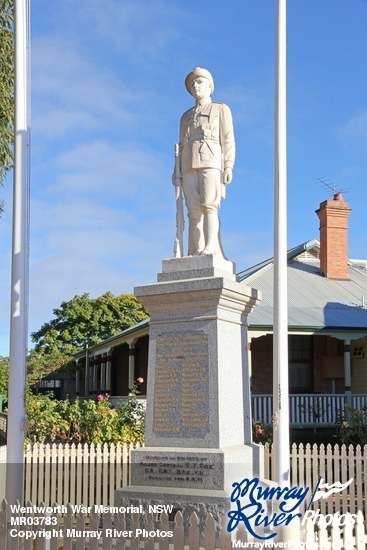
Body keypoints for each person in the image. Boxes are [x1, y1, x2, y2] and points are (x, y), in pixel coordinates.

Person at [174, 67, 235, 257]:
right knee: (192, 210)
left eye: (199, 82)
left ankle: (211, 247)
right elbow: (182, 145)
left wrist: (228, 165)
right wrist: (176, 171)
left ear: (210, 86)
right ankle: (196, 249)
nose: (195, 86)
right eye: (192, 84)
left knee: (210, 205)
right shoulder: (185, 117)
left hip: (211, 161)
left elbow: (228, 139)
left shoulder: (220, 109)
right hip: (188, 164)